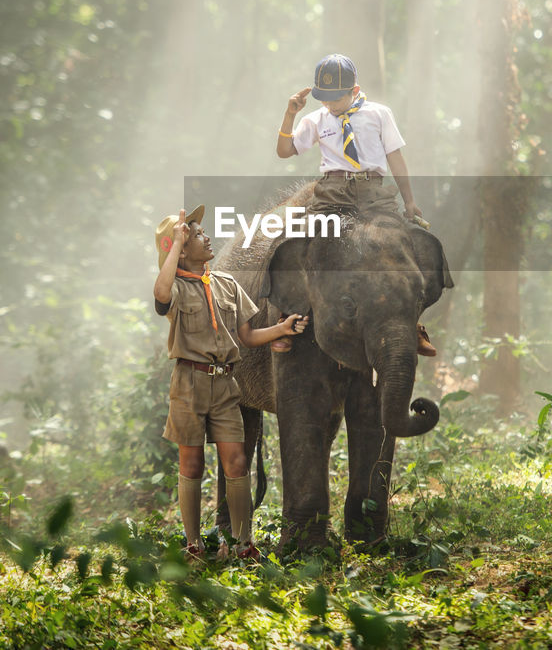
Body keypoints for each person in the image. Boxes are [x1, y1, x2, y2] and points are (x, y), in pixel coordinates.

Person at [153, 205, 308, 562]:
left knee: (237, 462)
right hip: (189, 383)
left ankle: (243, 544)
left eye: (203, 231)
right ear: (179, 247)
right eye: (196, 234)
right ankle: (193, 545)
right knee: (191, 466)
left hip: (225, 383)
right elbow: (160, 295)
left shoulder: (226, 284)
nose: (207, 237)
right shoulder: (174, 287)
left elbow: (248, 335)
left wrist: (281, 330)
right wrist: (176, 242)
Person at [274, 53, 436, 357]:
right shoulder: (316, 119)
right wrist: (290, 113)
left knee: (403, 247)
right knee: (302, 240)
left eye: (336, 98)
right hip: (332, 193)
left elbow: (396, 158)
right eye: (325, 98)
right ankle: (287, 314)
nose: (330, 104)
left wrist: (410, 200)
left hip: (373, 193)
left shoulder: (379, 115)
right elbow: (284, 151)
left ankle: (413, 324)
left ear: (355, 90)